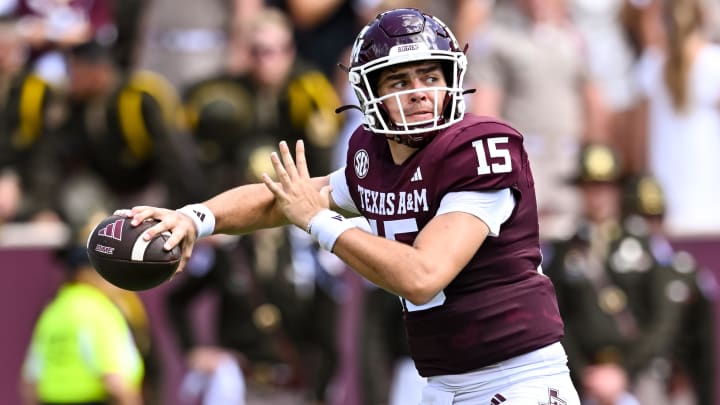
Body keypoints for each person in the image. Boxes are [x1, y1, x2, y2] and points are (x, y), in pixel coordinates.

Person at [121, 8, 580, 404]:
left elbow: (422, 277)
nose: (419, 91)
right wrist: (194, 218)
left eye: (430, 76)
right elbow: (284, 199)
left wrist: (319, 223)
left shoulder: (479, 148)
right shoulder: (374, 157)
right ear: (369, 94)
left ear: (453, 81)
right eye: (400, 80)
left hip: (518, 379)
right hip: (445, 382)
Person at [543, 144, 689, 405]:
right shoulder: (564, 251)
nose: (597, 194)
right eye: (589, 186)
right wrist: (584, 373)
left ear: (617, 189)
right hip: (584, 376)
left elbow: (664, 319)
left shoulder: (645, 245)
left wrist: (624, 371)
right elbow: (555, 317)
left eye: (604, 185)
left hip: (639, 372)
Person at [19, 218, 145, 405]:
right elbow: (114, 381)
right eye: (104, 270)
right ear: (84, 274)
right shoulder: (98, 310)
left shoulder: (53, 311)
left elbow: (29, 384)